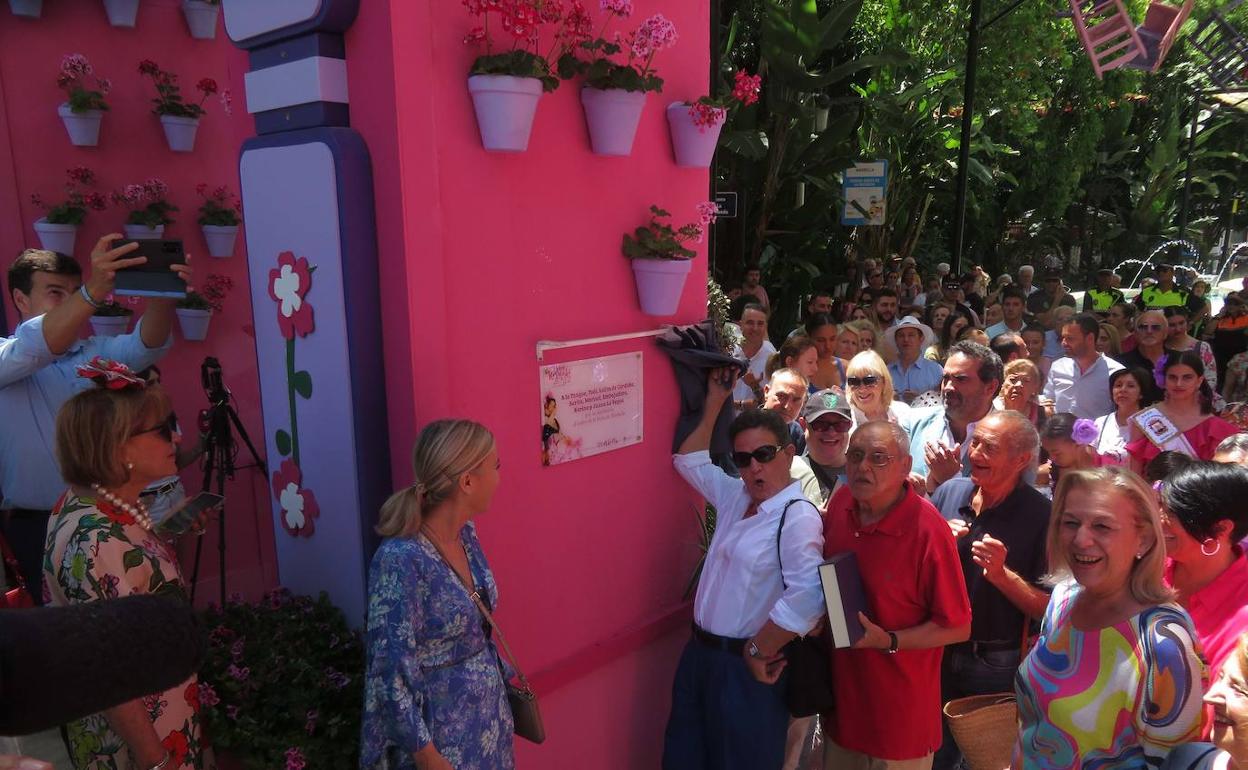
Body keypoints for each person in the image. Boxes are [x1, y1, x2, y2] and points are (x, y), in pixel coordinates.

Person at [44, 359, 212, 770]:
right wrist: (155, 759)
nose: (175, 437)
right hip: (141, 742)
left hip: (162, 715)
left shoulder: (96, 502)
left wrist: (171, 530)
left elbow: (128, 578)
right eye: (161, 430)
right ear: (119, 448)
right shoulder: (95, 540)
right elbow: (106, 668)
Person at [1, 243, 185, 603]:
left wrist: (163, 292)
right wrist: (93, 290)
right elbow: (35, 346)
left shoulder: (92, 351)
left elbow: (147, 345)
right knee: (67, 637)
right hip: (35, 525)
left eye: (74, 292)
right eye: (56, 293)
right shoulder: (6, 357)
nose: (72, 303)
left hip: (108, 511)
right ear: (20, 300)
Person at [664, 371, 825, 770]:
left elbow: (809, 596)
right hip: (699, 657)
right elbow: (688, 460)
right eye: (742, 458)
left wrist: (758, 648)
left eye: (764, 455)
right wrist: (716, 402)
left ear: (788, 453)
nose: (753, 467)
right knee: (683, 759)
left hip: (745, 670)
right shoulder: (735, 496)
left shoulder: (796, 515)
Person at [1013, 466, 1207, 768]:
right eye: (1071, 522)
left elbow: (1174, 762)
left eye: (1102, 526)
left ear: (1142, 540)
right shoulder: (1064, 599)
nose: (1081, 539)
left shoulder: (1163, 643)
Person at [361, 419, 512, 770]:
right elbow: (389, 671)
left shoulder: (467, 535)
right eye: (495, 467)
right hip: (439, 741)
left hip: (488, 727)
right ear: (467, 482)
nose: (500, 478)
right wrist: (427, 756)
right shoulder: (400, 561)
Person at [821, 422, 971, 769]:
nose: (863, 467)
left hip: (901, 724)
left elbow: (957, 627)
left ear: (905, 466)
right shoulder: (842, 502)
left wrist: (888, 640)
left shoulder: (928, 530)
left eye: (878, 458)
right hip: (843, 711)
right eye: (856, 456)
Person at [927, 412, 1051, 770]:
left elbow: (1048, 609)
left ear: (1021, 460)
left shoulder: (1043, 515)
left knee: (989, 763)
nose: (974, 453)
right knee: (933, 755)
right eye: (975, 441)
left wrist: (1000, 574)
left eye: (989, 447)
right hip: (936, 649)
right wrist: (937, 546)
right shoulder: (950, 492)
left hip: (995, 663)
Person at [1160, 462, 1248, 684]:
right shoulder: (1144, 565)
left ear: (1221, 529)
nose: (1158, 519)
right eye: (1159, 506)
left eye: (1172, 512)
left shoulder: (1243, 614)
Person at [906, 341, 1003, 489]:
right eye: (946, 378)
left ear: (990, 387)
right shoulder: (913, 422)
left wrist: (951, 481)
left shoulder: (1009, 438)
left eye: (961, 379)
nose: (948, 387)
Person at [1126, 349, 1239, 468]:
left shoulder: (1216, 428)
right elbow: (1134, 471)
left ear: (1199, 381)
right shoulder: (1145, 419)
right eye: (1173, 377)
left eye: (1187, 377)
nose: (1179, 383)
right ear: (1164, 379)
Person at [1044, 312, 1124, 419]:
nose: (1064, 343)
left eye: (1070, 338)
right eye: (1063, 337)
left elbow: (1122, 412)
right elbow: (1048, 400)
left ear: (1090, 338)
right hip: (1061, 433)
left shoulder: (1116, 372)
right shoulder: (1057, 366)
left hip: (1097, 434)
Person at [1094, 367, 1158, 465]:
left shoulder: (1151, 422)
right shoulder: (1100, 422)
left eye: (1131, 386)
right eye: (1118, 385)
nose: (1123, 390)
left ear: (1141, 393)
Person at [799, 390, 852, 505]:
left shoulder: (864, 472)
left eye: (840, 425)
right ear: (804, 425)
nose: (831, 432)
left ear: (850, 426)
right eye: (820, 424)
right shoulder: (787, 472)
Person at [1036, 413, 1102, 494]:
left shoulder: (1107, 468)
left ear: (1078, 443)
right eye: (1048, 452)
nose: (1052, 458)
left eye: (1057, 453)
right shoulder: (1051, 471)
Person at [846, 350, 910, 429]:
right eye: (854, 381)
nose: (862, 389)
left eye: (869, 381)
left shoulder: (902, 412)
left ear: (884, 382)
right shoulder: (844, 420)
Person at [1166, 307, 1220, 398]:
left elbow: (1211, 379)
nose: (1178, 329)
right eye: (1172, 325)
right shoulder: (1159, 348)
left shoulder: (1202, 348)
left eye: (1181, 323)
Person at [885, 317, 942, 404]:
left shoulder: (936, 370)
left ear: (921, 339)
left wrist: (920, 401)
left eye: (911, 335)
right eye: (901, 336)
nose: (906, 339)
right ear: (896, 340)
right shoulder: (886, 372)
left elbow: (943, 404)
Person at [732, 303, 777, 410]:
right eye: (750, 323)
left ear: (766, 326)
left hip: (755, 423)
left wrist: (754, 386)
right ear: (741, 325)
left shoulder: (772, 356)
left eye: (760, 324)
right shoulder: (728, 351)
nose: (755, 328)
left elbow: (772, 402)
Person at [762, 368, 812, 455]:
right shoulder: (744, 426)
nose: (787, 407)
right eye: (781, 396)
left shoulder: (796, 432)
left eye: (796, 400)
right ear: (766, 392)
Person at [996, 358, 1048, 431]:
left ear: (1035, 388)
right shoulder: (991, 409)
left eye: (1026, 380)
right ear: (1003, 383)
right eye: (1013, 379)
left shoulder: (1042, 414)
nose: (1018, 384)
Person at [1119, 309, 1172, 374]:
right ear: (1135, 333)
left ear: (1165, 333)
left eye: (1155, 327)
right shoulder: (1120, 363)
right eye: (1143, 327)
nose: (1149, 331)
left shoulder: (1177, 359)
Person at [807, 314, 850, 393]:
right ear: (809, 338)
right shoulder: (801, 369)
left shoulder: (847, 367)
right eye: (821, 340)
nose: (828, 346)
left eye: (832, 339)